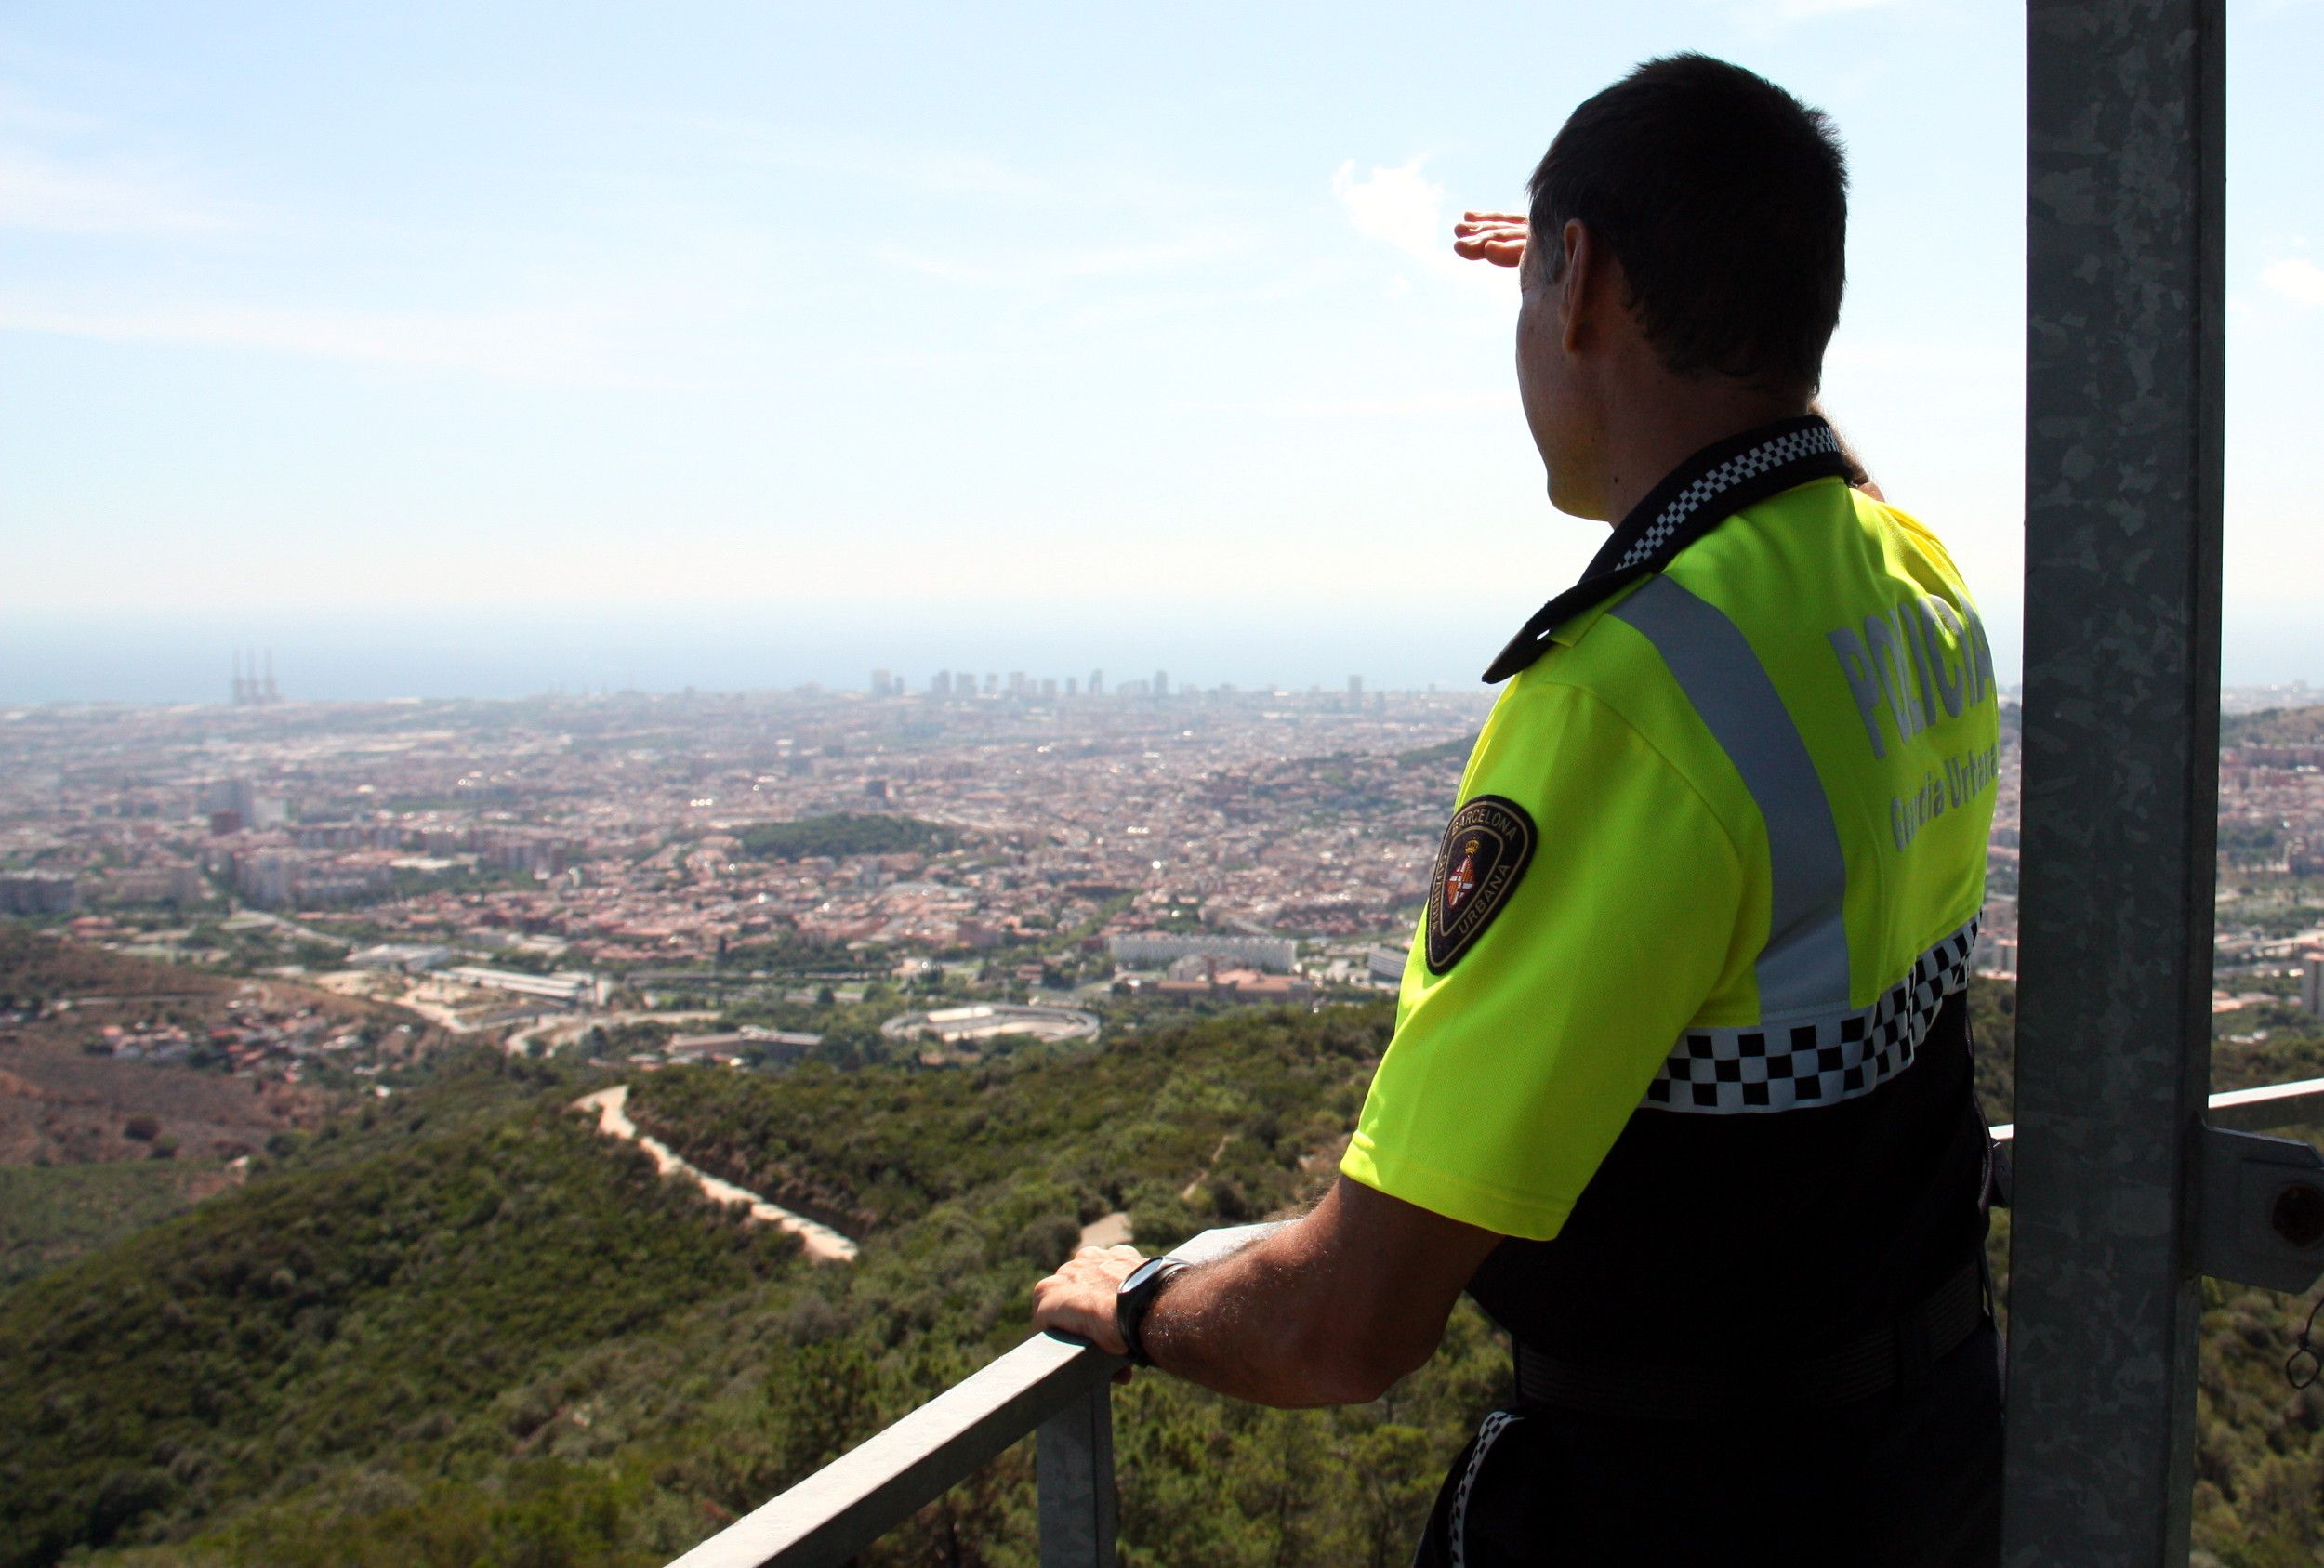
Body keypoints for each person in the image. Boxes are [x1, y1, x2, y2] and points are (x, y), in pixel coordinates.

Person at [1034, 53, 2004, 1566]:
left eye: (1534, 295)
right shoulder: (1912, 588)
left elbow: (1348, 1328)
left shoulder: (1623, 699)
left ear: (1579, 289)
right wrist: (1642, 267)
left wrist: (1138, 1305)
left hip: (1688, 1510)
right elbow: (1809, 456)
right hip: (1928, 1457)